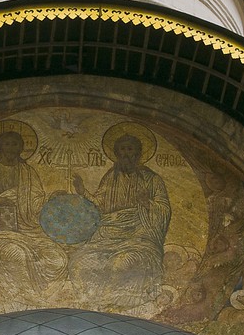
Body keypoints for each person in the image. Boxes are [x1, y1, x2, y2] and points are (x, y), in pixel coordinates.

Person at [72, 125, 171, 310]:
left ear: (139, 153)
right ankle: (91, 307)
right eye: (122, 149)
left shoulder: (152, 180)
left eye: (130, 149)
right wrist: (82, 191)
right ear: (116, 153)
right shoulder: (111, 177)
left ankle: (117, 307)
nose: (126, 154)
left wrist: (147, 203)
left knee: (123, 263)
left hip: (139, 235)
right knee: (80, 262)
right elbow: (98, 205)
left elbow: (164, 210)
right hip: (108, 234)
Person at [0, 127, 54, 302]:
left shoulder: (29, 172)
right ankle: (22, 299)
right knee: (16, 254)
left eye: (15, 144)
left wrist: (51, 199)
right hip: (0, 229)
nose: (11, 148)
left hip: (29, 229)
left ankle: (47, 300)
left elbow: (37, 204)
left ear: (21, 148)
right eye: (7, 144)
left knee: (56, 258)